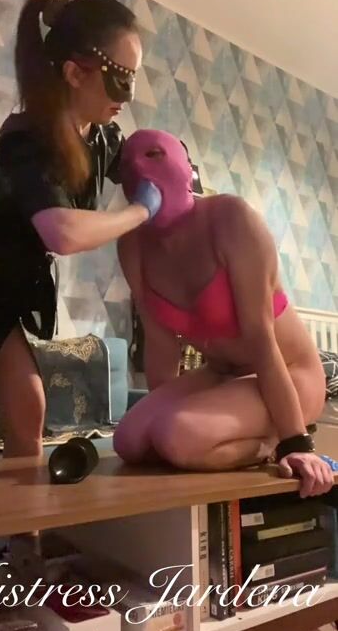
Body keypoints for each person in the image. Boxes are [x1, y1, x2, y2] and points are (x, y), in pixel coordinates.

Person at [0, 0, 162, 460]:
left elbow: (156, 167)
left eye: (133, 79)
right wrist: (141, 211)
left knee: (27, 408)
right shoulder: (27, 135)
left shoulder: (102, 138)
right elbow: (61, 232)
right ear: (75, 73)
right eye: (120, 79)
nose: (128, 96)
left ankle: (25, 513)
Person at [113, 128, 334, 499]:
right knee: (130, 440)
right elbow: (160, 343)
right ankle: (196, 437)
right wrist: (159, 424)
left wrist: (295, 442)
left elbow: (261, 340)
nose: (137, 167)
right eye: (126, 164)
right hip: (221, 375)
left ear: (186, 168)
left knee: (179, 435)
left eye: (153, 154)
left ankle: (268, 442)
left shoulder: (231, 219)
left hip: (289, 373)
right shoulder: (132, 245)